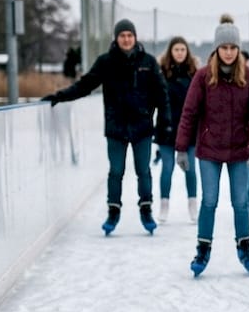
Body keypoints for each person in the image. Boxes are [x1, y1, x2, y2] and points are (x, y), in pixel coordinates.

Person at [44, 19, 171, 235]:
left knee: (143, 171)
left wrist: (164, 125)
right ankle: (113, 211)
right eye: (122, 35)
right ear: (116, 38)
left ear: (135, 37)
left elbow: (162, 95)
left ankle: (146, 208)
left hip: (142, 127)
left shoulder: (148, 62)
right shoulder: (106, 62)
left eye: (130, 35)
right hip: (116, 127)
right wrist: (60, 96)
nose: (126, 39)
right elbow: (85, 85)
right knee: (116, 171)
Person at [174, 15, 249, 276]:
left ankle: (244, 247)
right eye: (224, 47)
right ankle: (203, 249)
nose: (228, 52)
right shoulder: (203, 76)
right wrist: (181, 148)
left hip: (239, 150)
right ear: (217, 49)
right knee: (210, 201)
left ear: (238, 50)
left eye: (233, 48)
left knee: (240, 202)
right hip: (209, 150)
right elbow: (189, 113)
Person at [155, 36, 200, 223]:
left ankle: (193, 205)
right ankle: (164, 205)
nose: (180, 53)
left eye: (183, 49)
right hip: (166, 128)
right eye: (176, 50)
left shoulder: (194, 74)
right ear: (170, 52)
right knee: (167, 168)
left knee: (189, 168)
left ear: (187, 52)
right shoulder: (161, 74)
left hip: (188, 129)